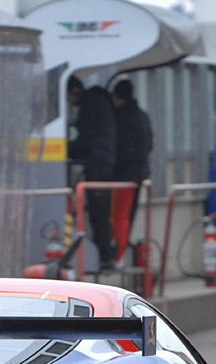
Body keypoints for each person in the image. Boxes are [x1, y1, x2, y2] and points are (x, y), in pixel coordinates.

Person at [67, 75, 118, 270]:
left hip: (98, 164)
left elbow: (86, 139)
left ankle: (104, 256)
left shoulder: (90, 105)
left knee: (98, 211)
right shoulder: (99, 102)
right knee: (100, 211)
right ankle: (105, 254)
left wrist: (67, 149)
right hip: (104, 162)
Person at [110, 79, 153, 262]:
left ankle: (117, 255)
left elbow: (122, 148)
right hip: (139, 174)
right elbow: (149, 144)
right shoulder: (142, 115)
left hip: (124, 175)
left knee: (119, 216)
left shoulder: (121, 118)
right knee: (128, 215)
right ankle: (122, 251)